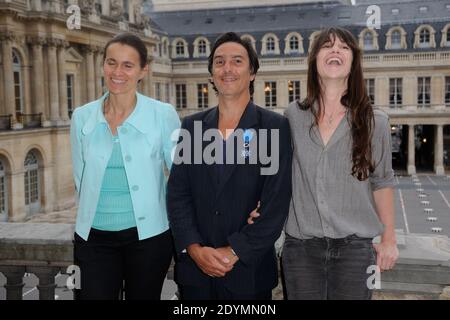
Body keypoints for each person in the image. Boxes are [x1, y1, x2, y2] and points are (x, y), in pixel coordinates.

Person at [249, 27, 399, 300]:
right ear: (314, 61)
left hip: (356, 249)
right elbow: (280, 174)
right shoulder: (293, 116)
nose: (335, 51)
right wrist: (258, 204)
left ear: (353, 61)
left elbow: (382, 182)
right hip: (301, 247)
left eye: (344, 47)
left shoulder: (374, 121)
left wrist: (389, 240)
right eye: (327, 46)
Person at [167, 32, 292, 300]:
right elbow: (178, 194)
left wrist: (233, 251)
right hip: (195, 274)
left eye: (237, 61)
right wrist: (194, 249)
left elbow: (276, 204)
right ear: (211, 74)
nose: (227, 68)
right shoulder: (193, 126)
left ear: (252, 73)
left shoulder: (274, 126)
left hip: (248, 272)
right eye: (219, 62)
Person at [70, 33, 180, 300]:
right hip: (93, 238)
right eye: (111, 62)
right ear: (103, 65)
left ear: (143, 71)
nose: (117, 72)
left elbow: (182, 175)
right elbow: (80, 178)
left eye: (127, 65)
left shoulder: (163, 114)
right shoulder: (81, 116)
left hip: (149, 238)